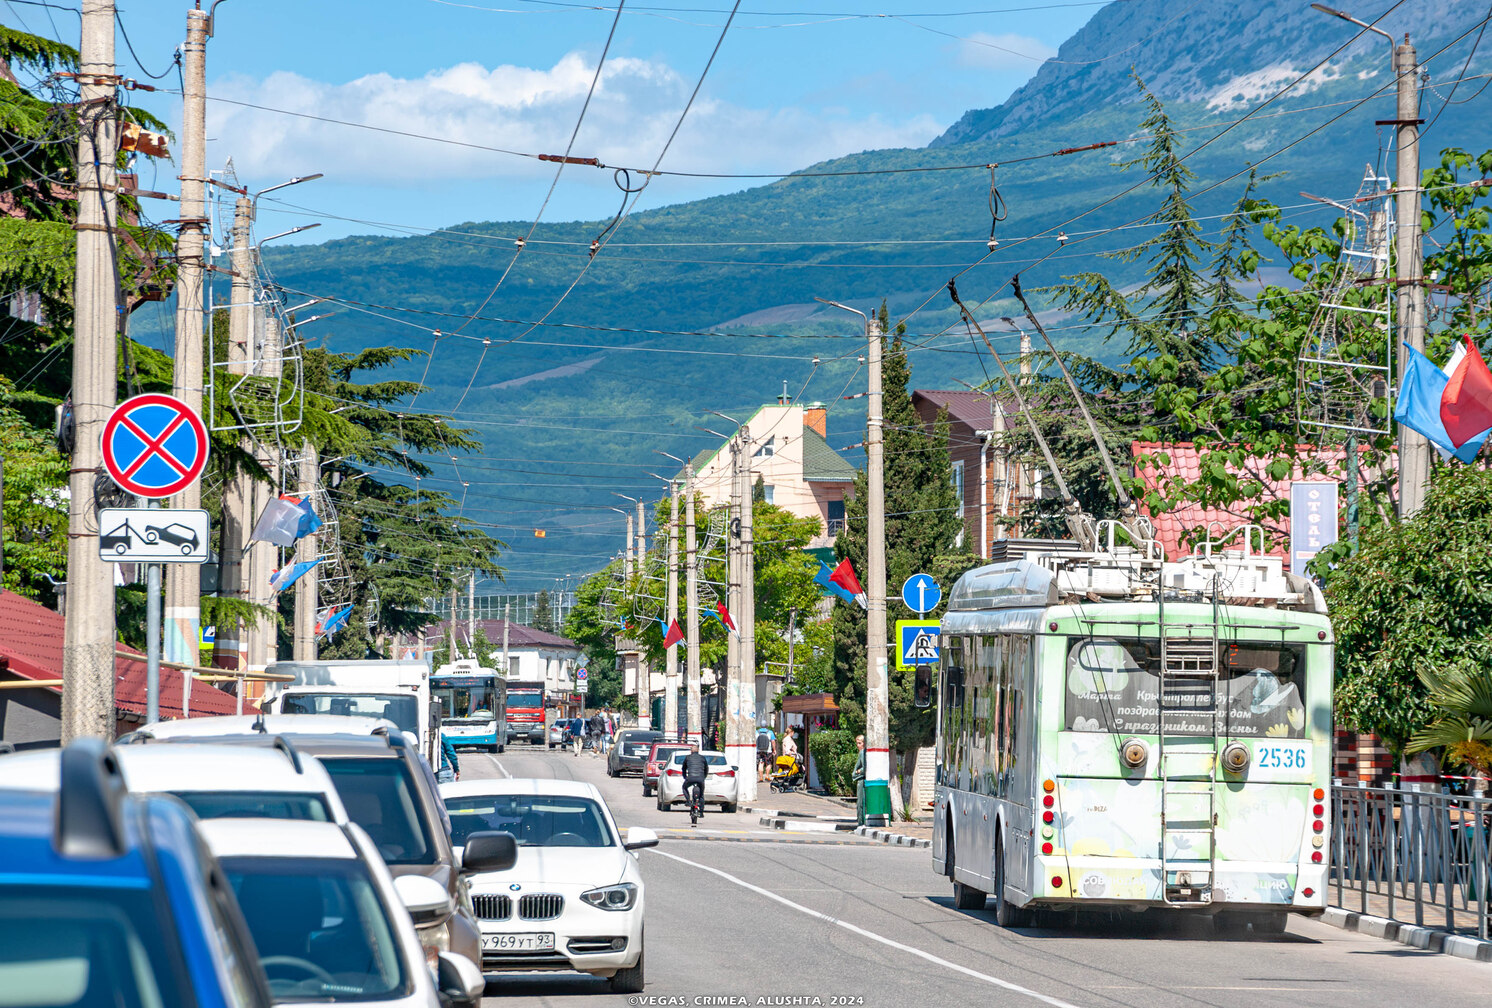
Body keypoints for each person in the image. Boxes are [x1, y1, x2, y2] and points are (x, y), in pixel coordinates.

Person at [680, 742, 709, 822]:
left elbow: (683, 768)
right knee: (701, 794)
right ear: (698, 751)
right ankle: (702, 812)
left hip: (690, 778)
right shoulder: (702, 758)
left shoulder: (688, 758)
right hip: (700, 779)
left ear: (691, 751)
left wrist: (685, 777)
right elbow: (706, 769)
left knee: (684, 787)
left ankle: (688, 801)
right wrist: (704, 777)